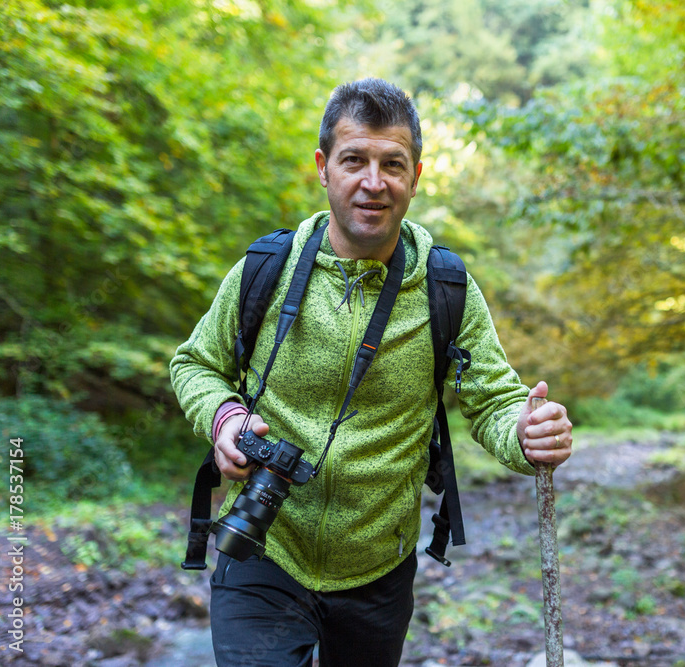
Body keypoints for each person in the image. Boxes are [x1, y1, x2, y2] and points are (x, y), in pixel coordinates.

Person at [169, 77, 573, 667]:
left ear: (416, 175)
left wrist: (527, 433)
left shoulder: (445, 286)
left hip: (378, 569)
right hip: (263, 547)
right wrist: (225, 418)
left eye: (393, 163)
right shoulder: (267, 267)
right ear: (323, 167)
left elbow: (493, 401)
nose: (373, 182)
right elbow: (196, 363)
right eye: (354, 159)